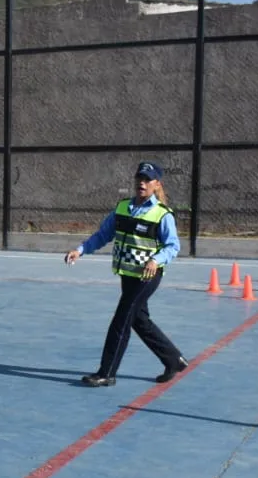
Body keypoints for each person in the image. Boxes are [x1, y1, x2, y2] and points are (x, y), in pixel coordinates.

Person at [64, 161, 188, 387]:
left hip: (147, 276)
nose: (142, 183)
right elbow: (102, 235)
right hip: (127, 275)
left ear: (156, 184)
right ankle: (173, 359)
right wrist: (80, 250)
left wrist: (155, 260)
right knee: (139, 320)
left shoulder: (162, 214)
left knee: (121, 319)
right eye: (139, 178)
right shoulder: (122, 208)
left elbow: (173, 246)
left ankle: (107, 373)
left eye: (147, 179)